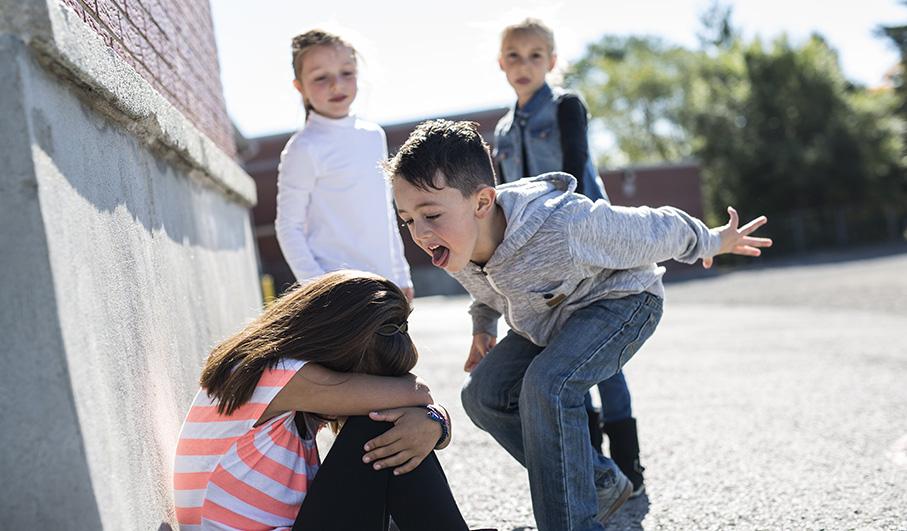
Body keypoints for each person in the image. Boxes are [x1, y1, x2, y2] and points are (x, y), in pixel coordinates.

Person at [385, 120, 772, 530]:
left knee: (548, 385)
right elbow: (486, 290)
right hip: (550, 318)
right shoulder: (455, 242)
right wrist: (484, 327)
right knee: (482, 394)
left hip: (622, 302)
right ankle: (599, 482)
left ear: (482, 203)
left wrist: (713, 241)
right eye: (407, 219)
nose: (420, 234)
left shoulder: (563, 225)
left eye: (430, 214)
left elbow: (655, 228)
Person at [173, 270, 478, 531]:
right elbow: (418, 394)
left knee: (391, 430)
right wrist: (431, 417)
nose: (366, 387)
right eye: (366, 378)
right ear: (338, 345)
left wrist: (434, 423)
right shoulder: (275, 373)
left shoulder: (278, 375)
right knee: (376, 425)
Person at [492, 18, 642, 495]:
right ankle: (597, 473)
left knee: (604, 360)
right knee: (563, 356)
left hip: (588, 246)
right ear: (501, 63)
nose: (524, 64)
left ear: (552, 62)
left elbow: (575, 171)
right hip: (537, 261)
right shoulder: (501, 129)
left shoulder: (565, 107)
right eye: (514, 55)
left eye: (536, 55)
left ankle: (629, 467)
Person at [275, 30, 413, 300]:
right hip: (338, 293)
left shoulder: (374, 135)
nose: (336, 85)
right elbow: (287, 226)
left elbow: (385, 213)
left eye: (346, 73)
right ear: (300, 87)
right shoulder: (304, 148)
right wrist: (317, 287)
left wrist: (401, 274)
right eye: (320, 77)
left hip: (386, 285)